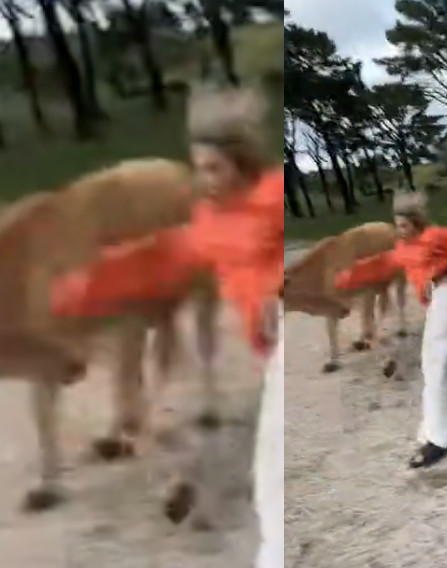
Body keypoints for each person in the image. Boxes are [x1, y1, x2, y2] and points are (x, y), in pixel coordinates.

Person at [47, 85, 285, 568]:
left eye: (213, 169)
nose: (204, 181)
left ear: (242, 164)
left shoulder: (276, 198)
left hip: (284, 341)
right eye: (199, 169)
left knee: (274, 479)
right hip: (271, 350)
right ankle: (181, 476)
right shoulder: (207, 222)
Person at [334, 190, 447, 469]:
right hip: (446, 303)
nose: (400, 230)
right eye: (397, 225)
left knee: (434, 368)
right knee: (441, 364)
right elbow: (381, 264)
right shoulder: (403, 250)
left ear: (417, 222)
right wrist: (348, 276)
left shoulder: (434, 235)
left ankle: (440, 439)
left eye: (405, 225)